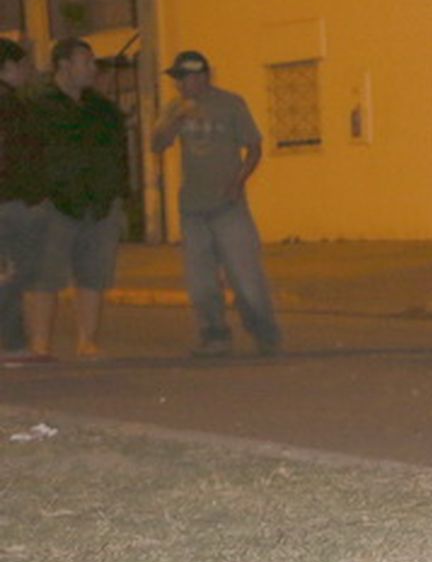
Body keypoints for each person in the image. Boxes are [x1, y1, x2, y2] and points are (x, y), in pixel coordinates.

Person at [150, 50, 281, 357]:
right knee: (201, 283)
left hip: (228, 207)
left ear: (201, 76)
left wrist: (238, 182)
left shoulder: (230, 105)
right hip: (193, 209)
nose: (181, 85)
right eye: (177, 80)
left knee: (246, 279)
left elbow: (254, 148)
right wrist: (176, 118)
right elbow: (157, 143)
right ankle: (215, 335)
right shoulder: (175, 108)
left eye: (184, 78)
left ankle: (265, 334)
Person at [24, 37, 129, 360]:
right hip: (53, 204)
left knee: (94, 275)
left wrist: (118, 197)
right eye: (86, 61)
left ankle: (88, 341)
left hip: (98, 204)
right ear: (63, 65)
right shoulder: (37, 106)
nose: (93, 68)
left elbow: (119, 154)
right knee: (45, 276)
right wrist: (33, 196)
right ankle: (40, 343)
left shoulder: (102, 109)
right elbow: (22, 155)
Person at [0, 38, 48, 363]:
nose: (29, 71)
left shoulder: (15, 102)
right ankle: (12, 341)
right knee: (14, 272)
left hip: (16, 198)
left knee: (13, 272)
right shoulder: (11, 105)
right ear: (9, 67)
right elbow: (21, 154)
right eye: (23, 65)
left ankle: (15, 341)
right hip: (11, 200)